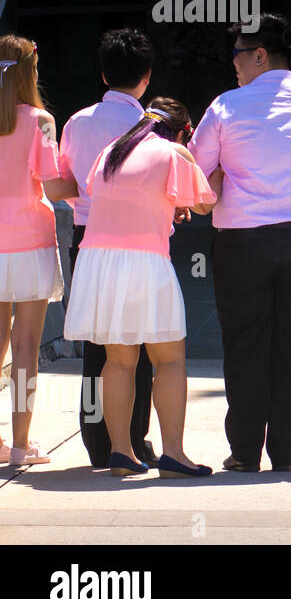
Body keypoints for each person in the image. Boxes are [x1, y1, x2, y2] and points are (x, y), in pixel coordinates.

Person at [188, 14, 291, 473]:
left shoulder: (225, 106)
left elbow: (198, 175)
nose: (233, 64)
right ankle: (285, 450)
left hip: (243, 241)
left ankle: (243, 452)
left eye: (238, 54)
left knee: (244, 343)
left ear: (260, 55)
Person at [62, 98, 216, 477]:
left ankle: (121, 453)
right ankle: (174, 456)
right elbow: (204, 205)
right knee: (169, 359)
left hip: (97, 260)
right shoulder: (174, 152)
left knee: (118, 360)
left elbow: (109, 196)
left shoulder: (112, 150)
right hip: (144, 261)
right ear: (182, 130)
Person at [58, 28, 158, 468]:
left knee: (97, 347)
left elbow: (63, 183)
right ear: (147, 77)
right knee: (138, 348)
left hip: (89, 240)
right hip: (141, 243)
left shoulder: (77, 122)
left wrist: (82, 200)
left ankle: (98, 441)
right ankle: (133, 439)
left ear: (102, 74)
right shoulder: (153, 127)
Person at [0, 35, 75, 466]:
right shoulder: (41, 120)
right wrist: (88, 181)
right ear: (32, 70)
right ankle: (21, 444)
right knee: (26, 344)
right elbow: (53, 186)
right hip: (29, 241)